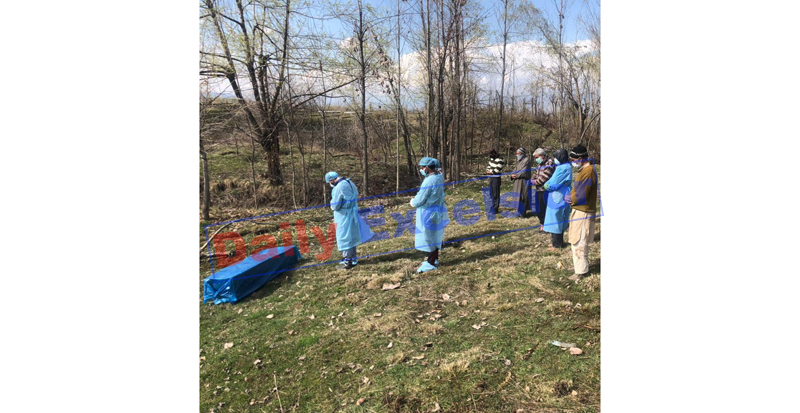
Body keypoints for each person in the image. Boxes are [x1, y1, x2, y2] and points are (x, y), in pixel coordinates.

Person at [325, 171, 374, 270]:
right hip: (352, 212)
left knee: (344, 237)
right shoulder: (349, 182)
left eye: (330, 182)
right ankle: (353, 259)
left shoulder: (339, 187)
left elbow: (335, 205)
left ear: (332, 180)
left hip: (343, 215)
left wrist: (331, 203)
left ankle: (348, 261)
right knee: (351, 236)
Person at [564, 145, 598, 281]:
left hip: (583, 212)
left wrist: (571, 198)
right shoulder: (584, 170)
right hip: (579, 210)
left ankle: (581, 272)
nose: (572, 162)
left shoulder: (588, 171)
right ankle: (580, 267)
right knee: (576, 239)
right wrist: (571, 195)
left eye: (573, 159)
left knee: (579, 240)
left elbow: (582, 193)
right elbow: (577, 188)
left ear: (580, 158)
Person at [410, 157, 449, 273]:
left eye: (422, 167)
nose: (421, 170)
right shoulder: (439, 177)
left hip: (427, 211)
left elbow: (420, 200)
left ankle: (431, 262)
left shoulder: (429, 181)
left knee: (428, 237)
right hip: (437, 209)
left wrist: (413, 202)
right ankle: (434, 258)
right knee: (435, 235)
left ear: (427, 167)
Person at [542, 148, 571, 250]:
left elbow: (554, 183)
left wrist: (546, 186)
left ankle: (557, 244)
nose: (554, 159)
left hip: (559, 195)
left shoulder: (563, 168)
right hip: (558, 195)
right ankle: (556, 242)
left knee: (556, 218)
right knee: (556, 218)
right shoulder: (562, 167)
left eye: (556, 157)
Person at [531, 148, 555, 226]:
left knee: (544, 208)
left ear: (542, 156)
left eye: (536, 157)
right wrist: (533, 179)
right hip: (538, 189)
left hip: (545, 189)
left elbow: (546, 176)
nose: (536, 159)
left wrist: (536, 182)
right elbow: (536, 173)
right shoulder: (540, 164)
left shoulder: (550, 163)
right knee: (539, 208)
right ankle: (542, 223)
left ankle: (545, 225)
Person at [509, 147, 532, 217]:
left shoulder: (526, 160)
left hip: (524, 181)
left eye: (518, 153)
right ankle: (518, 211)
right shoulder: (519, 161)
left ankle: (523, 213)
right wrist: (512, 175)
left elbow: (524, 172)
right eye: (517, 154)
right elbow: (514, 170)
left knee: (523, 196)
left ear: (522, 153)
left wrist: (516, 175)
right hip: (517, 181)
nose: (517, 155)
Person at [485, 149, 505, 214]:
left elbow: (497, 170)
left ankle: (496, 208)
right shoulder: (491, 159)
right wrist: (488, 171)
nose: (490, 156)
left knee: (496, 194)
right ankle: (492, 206)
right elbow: (488, 166)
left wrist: (490, 172)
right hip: (491, 178)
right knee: (492, 194)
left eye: (491, 155)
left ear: (494, 153)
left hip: (496, 178)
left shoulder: (500, 159)